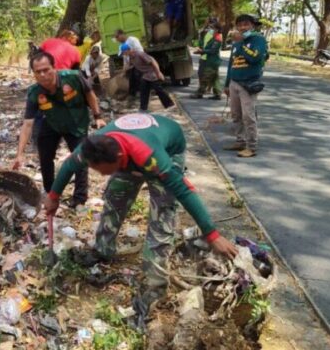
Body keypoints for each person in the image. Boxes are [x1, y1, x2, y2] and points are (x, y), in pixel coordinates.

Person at [43, 112, 238, 308]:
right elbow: (69, 165)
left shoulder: (151, 159)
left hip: (167, 149)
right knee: (114, 198)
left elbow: (183, 191)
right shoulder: (91, 149)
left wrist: (212, 235)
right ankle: (103, 250)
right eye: (96, 169)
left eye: (103, 169)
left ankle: (155, 286)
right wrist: (53, 196)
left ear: (118, 158)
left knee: (162, 216)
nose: (100, 174)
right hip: (131, 153)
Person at [12, 51, 106, 208]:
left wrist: (98, 116)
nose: (43, 75)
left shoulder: (74, 77)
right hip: (52, 122)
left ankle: (79, 198)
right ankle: (51, 193)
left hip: (76, 122)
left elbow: (90, 94)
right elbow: (28, 124)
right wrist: (19, 154)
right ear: (33, 74)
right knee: (45, 156)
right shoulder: (34, 93)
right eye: (38, 72)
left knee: (79, 158)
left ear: (54, 68)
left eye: (46, 69)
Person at [223, 15, 268, 158]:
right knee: (236, 114)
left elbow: (255, 58)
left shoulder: (258, 40)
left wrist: (242, 43)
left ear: (252, 26)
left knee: (248, 116)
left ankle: (251, 146)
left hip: (248, 84)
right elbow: (232, 63)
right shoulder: (236, 44)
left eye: (246, 24)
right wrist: (226, 83)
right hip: (234, 82)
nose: (242, 27)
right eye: (240, 25)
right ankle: (240, 141)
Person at [121, 44, 174, 111]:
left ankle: (170, 104)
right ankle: (143, 108)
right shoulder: (131, 58)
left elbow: (153, 62)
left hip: (151, 73)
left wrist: (158, 73)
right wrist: (124, 72)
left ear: (127, 50)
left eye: (124, 52)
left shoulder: (140, 54)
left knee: (158, 90)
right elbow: (130, 66)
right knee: (143, 91)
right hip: (145, 75)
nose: (124, 54)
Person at [190, 19, 223, 100]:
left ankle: (199, 93)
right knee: (215, 78)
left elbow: (213, 50)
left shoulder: (218, 38)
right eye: (210, 27)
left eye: (212, 28)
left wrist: (202, 51)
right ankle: (217, 94)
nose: (210, 29)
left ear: (217, 29)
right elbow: (206, 46)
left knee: (205, 78)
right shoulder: (212, 37)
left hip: (212, 61)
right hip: (210, 60)